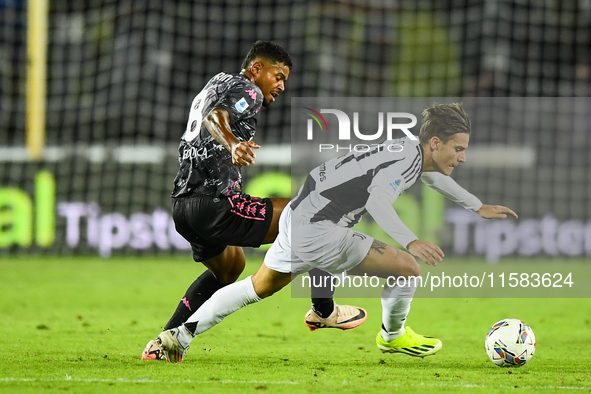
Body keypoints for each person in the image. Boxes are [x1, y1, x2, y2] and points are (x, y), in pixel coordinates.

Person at [152, 102, 519, 363]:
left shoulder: (409, 150)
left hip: (300, 214)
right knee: (408, 268)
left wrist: (476, 205)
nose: (463, 157)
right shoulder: (406, 161)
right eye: (459, 148)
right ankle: (390, 336)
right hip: (320, 229)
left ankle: (180, 335)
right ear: (436, 143)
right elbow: (377, 202)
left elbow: (434, 177)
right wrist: (412, 240)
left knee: (255, 288)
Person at [142, 41, 366, 360]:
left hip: (184, 205)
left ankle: (162, 343)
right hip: (216, 201)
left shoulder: (217, 82)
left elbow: (210, 115)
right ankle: (323, 309)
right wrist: (233, 143)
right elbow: (215, 119)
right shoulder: (249, 90)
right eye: (278, 76)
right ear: (257, 68)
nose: (281, 86)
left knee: (230, 267)